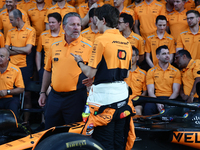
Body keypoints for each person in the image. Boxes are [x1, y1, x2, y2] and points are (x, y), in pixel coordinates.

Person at [71, 4, 135, 150]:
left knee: (103, 142)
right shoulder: (126, 42)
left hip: (104, 102)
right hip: (122, 97)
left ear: (103, 20)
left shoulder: (101, 40)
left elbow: (90, 72)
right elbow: (126, 72)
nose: (95, 23)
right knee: (119, 140)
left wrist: (79, 61)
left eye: (96, 20)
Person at [38, 12, 93, 129]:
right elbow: (47, 70)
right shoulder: (54, 45)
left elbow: (95, 71)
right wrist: (43, 92)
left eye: (78, 24)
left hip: (76, 97)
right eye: (72, 24)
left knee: (73, 134)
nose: (76, 28)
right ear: (63, 26)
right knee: (50, 130)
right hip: (54, 96)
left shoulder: (89, 46)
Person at [5, 9, 36, 123]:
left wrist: (12, 48)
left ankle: (25, 122)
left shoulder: (30, 30)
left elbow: (28, 50)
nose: (10, 22)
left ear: (18, 19)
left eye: (11, 20)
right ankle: (12, 121)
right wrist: (18, 50)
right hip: (11, 67)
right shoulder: (9, 32)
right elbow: (6, 51)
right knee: (12, 95)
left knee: (26, 94)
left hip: (25, 67)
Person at [144, 45, 181, 115]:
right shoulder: (151, 71)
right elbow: (150, 91)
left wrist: (167, 103)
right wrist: (157, 102)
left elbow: (176, 91)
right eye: (164, 54)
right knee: (148, 108)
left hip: (171, 98)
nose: (167, 55)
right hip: (156, 98)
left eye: (168, 53)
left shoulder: (176, 71)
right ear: (157, 57)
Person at [36, 12, 64, 83]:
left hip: (61, 68)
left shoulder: (65, 35)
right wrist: (39, 69)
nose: (50, 24)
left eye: (53, 22)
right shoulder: (43, 35)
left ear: (60, 23)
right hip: (46, 68)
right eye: (49, 22)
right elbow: (38, 52)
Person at [0, 47, 24, 118]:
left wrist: (7, 92)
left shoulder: (16, 70)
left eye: (2, 56)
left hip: (10, 98)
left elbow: (21, 88)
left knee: (13, 110)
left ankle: (13, 127)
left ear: (8, 58)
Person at [125, 46, 147, 115]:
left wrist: (139, 100)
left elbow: (145, 91)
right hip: (124, 100)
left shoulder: (143, 73)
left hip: (137, 101)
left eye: (133, 55)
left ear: (137, 58)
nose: (130, 58)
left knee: (137, 111)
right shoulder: (122, 72)